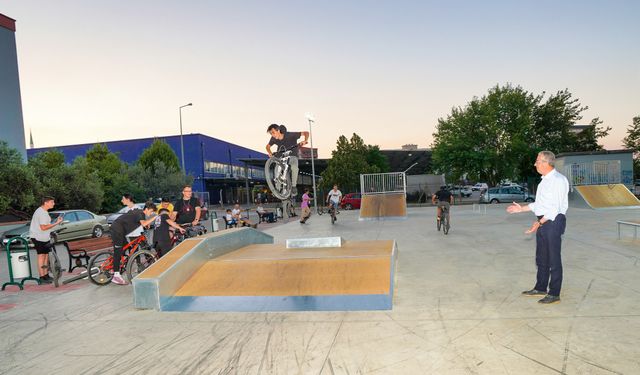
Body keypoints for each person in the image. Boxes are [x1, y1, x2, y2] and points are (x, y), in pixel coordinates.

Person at [507, 151, 569, 304]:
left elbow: (555, 208)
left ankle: (554, 293)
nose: (535, 164)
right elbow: (539, 205)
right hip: (544, 221)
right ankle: (541, 287)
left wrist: (540, 222)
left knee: (553, 258)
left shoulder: (558, 180)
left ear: (546, 162)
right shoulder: (545, 181)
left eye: (537, 161)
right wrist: (521, 209)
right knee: (541, 257)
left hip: (553, 221)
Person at [110, 200, 157, 285]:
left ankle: (115, 265)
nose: (151, 213)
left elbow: (138, 221)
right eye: (151, 211)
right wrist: (154, 217)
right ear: (147, 209)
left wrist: (146, 223)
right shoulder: (140, 213)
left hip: (120, 231)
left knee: (125, 247)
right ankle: (116, 275)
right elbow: (143, 223)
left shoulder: (138, 212)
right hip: (117, 230)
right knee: (118, 251)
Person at [265, 124, 309, 196]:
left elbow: (306, 133)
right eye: (271, 133)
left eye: (273, 132)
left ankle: (294, 186)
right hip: (281, 156)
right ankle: (277, 189)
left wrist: (305, 140)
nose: (272, 135)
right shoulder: (273, 138)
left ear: (278, 130)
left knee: (294, 167)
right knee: (277, 169)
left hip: (292, 155)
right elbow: (267, 146)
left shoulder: (290, 135)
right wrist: (269, 152)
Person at [29, 196, 64, 284]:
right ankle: (42, 277)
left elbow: (46, 225)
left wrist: (55, 223)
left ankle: (46, 275)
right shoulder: (41, 212)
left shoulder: (43, 211)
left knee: (46, 255)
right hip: (38, 237)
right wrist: (56, 223)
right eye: (52, 202)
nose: (54, 204)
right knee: (41, 256)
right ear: (46, 203)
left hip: (44, 237)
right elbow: (43, 227)